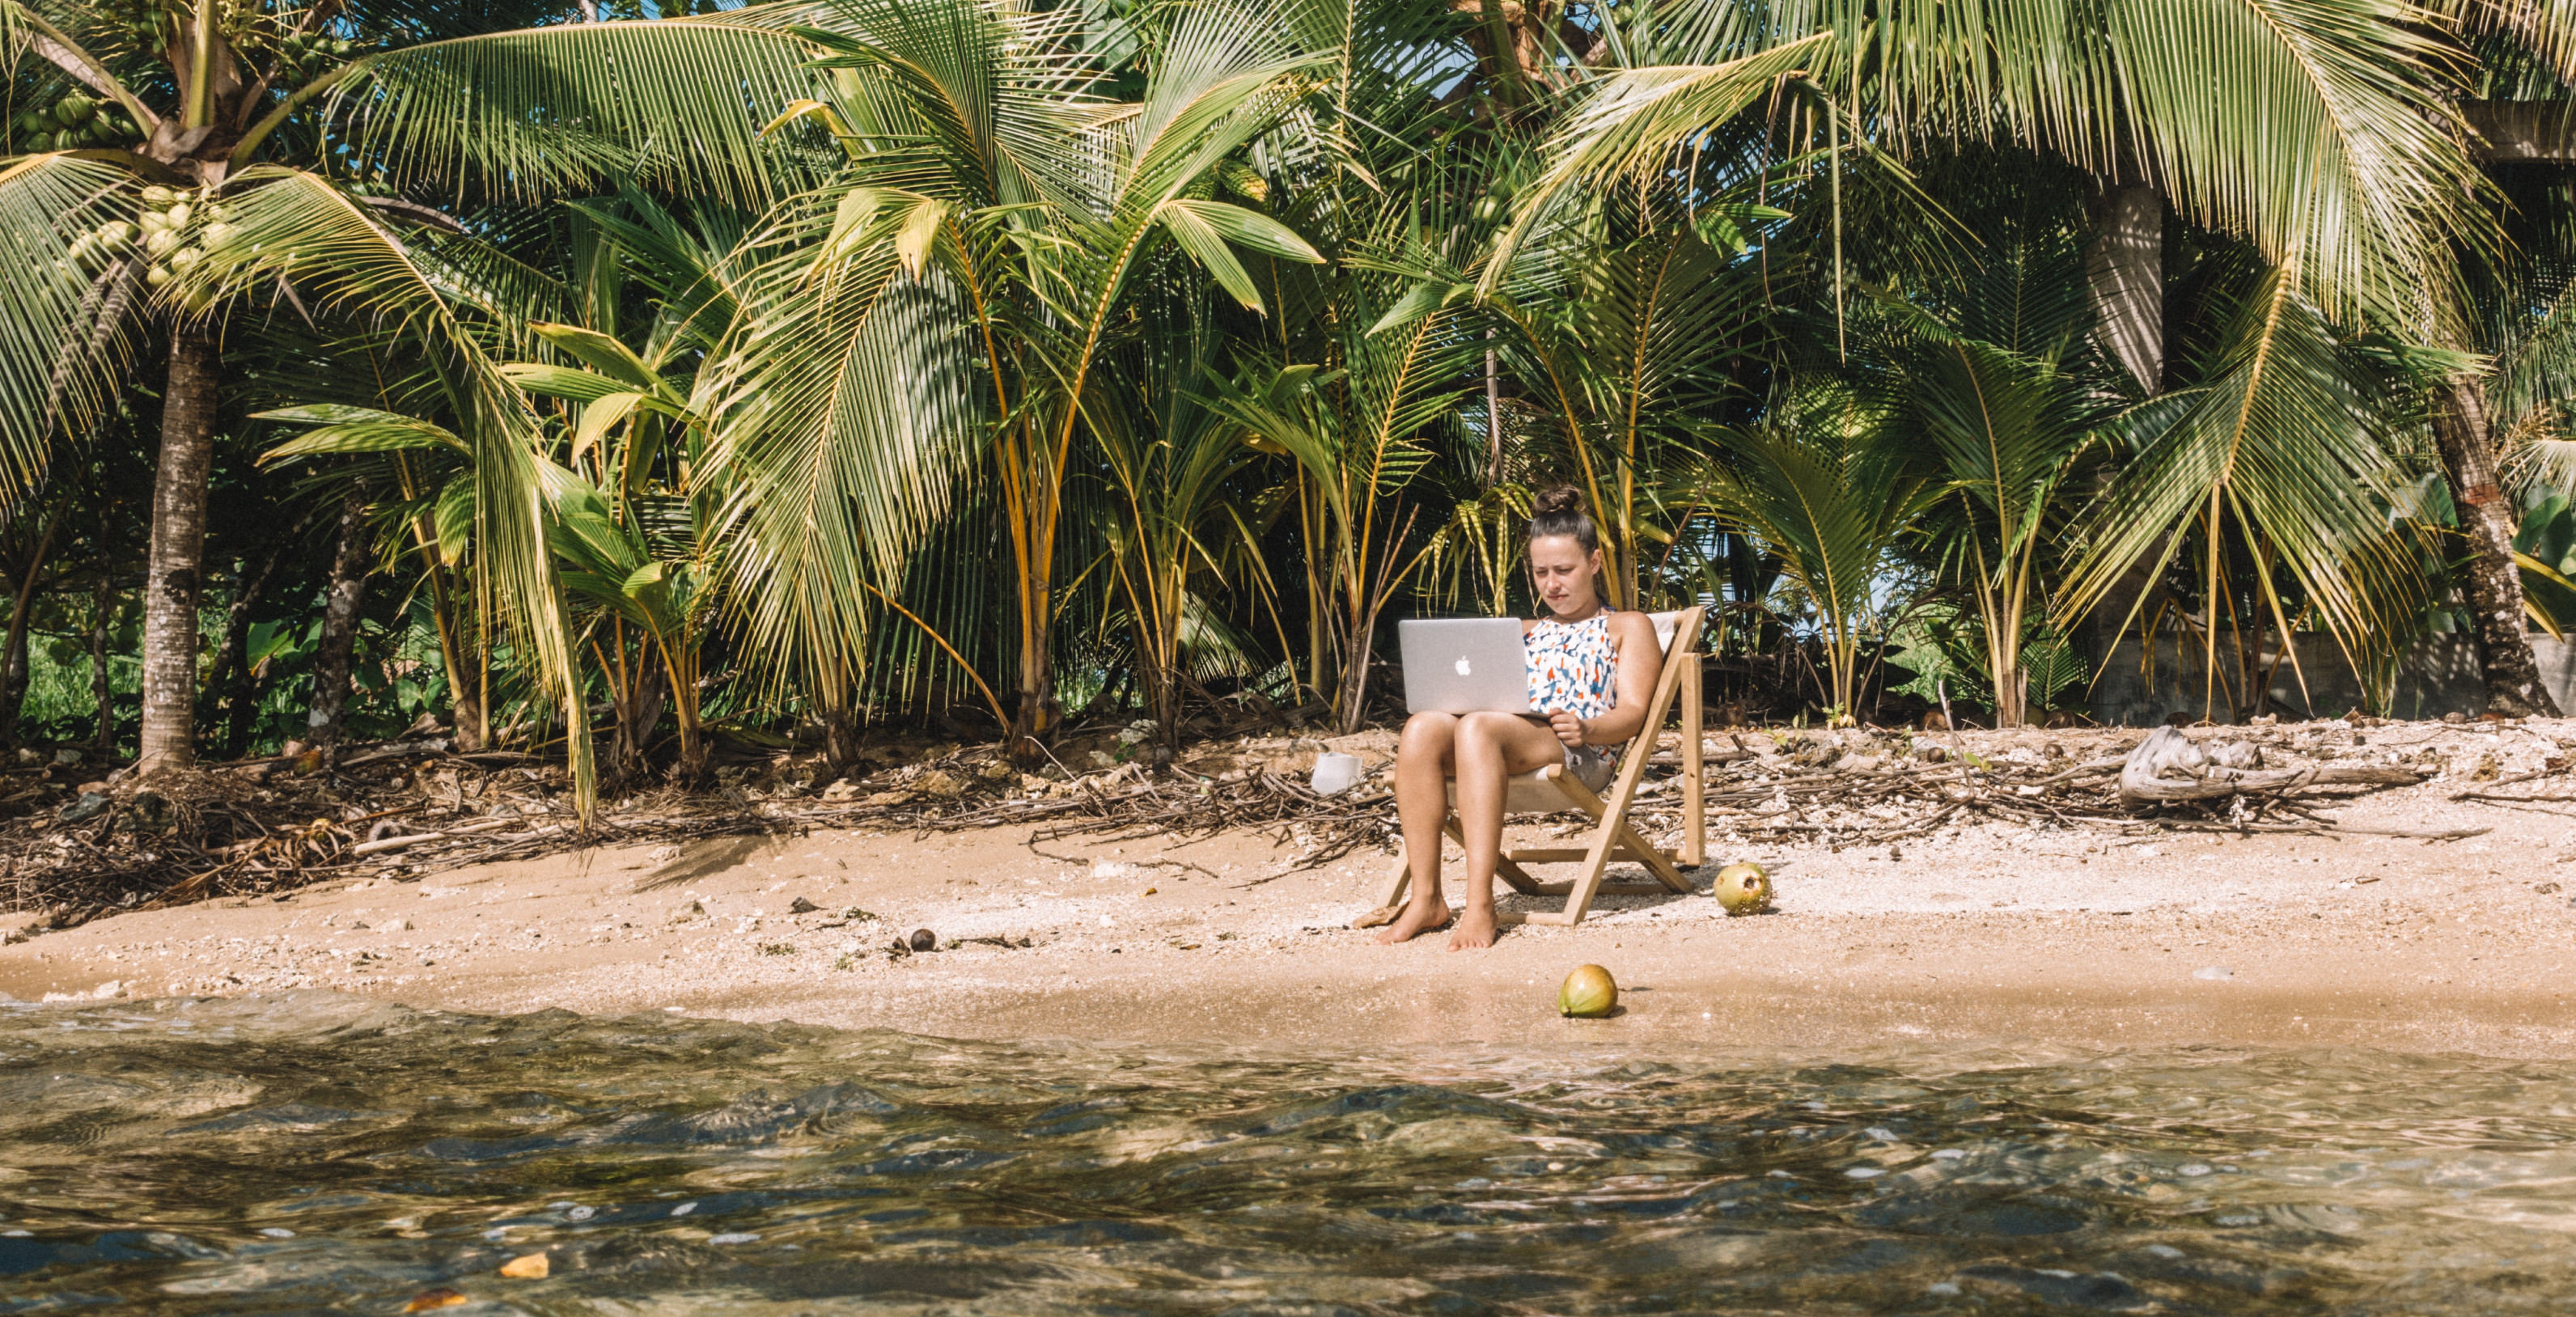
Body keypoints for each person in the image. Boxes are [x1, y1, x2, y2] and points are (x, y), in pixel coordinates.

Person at [1377, 487, 1662, 950]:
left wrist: (1587, 727)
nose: (1552, 584)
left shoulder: (1627, 626)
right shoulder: (1522, 632)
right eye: (1541, 572)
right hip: (1499, 742)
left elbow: (1632, 713)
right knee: (1424, 726)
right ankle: (1426, 898)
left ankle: (1480, 904)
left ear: (1594, 564)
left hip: (1580, 751)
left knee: (1477, 726)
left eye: (1564, 570)